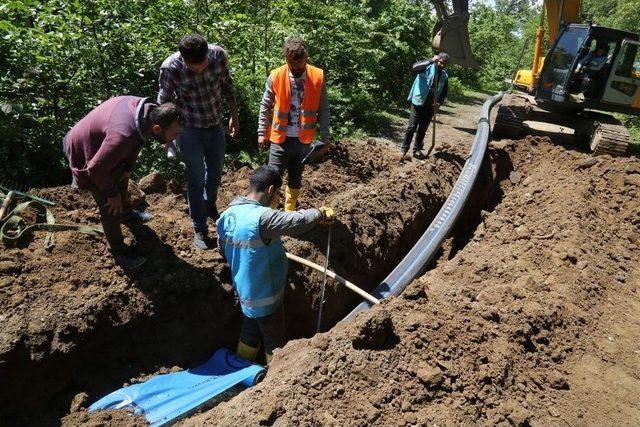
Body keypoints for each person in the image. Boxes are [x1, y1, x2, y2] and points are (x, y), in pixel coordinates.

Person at [216, 165, 334, 363]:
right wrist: (320, 213)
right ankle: (274, 381)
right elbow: (296, 221)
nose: (278, 200)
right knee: (274, 341)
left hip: (246, 295)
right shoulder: (262, 218)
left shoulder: (227, 216)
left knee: (250, 332)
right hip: (266, 298)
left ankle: (239, 367)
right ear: (271, 190)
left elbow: (225, 249)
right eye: (278, 194)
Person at [63, 97, 182, 271]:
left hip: (103, 144)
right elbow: (95, 168)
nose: (175, 139)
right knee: (109, 205)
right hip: (84, 149)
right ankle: (118, 251)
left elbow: (138, 140)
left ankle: (126, 214)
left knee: (121, 178)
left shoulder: (148, 112)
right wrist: (112, 194)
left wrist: (128, 168)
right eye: (175, 135)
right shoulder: (124, 134)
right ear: (157, 128)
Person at [158, 34, 239, 250]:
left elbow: (228, 86)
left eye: (202, 63)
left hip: (215, 125)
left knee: (215, 171)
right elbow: (164, 102)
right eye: (193, 66)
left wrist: (234, 115)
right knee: (196, 178)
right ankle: (200, 227)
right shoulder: (170, 68)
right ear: (183, 58)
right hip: (189, 130)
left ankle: (209, 204)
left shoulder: (218, 55)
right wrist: (167, 136)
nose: (199, 69)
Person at [257, 37, 331, 212]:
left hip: (303, 140)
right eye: (292, 65)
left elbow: (324, 109)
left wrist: (325, 136)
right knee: (273, 178)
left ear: (306, 57)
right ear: (286, 59)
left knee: (296, 177)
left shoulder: (317, 76)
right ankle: (271, 213)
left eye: (300, 65)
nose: (296, 69)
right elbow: (265, 106)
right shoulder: (276, 76)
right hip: (279, 140)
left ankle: (290, 212)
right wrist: (262, 132)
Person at [401, 52, 450, 158]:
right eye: (441, 62)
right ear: (438, 60)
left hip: (430, 106)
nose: (442, 65)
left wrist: (439, 103)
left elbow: (444, 91)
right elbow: (414, 68)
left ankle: (417, 150)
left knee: (422, 129)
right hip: (418, 102)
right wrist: (431, 61)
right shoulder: (426, 67)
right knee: (411, 127)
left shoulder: (444, 75)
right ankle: (404, 150)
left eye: (445, 64)